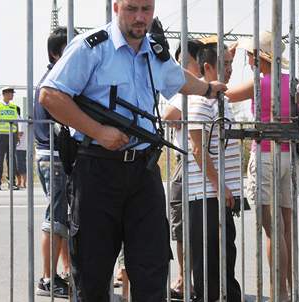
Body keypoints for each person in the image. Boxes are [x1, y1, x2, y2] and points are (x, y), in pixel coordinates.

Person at [38, 0, 227, 300]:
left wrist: (208, 88)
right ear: (116, 7)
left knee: (152, 268)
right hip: (98, 171)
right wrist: (98, 131)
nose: (140, 17)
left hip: (143, 172)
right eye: (132, 9)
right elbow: (50, 95)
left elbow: (177, 80)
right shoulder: (91, 48)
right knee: (93, 273)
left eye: (146, 9)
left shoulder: (154, 51)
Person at [226, 31, 299, 300]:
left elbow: (225, 93)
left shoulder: (258, 84)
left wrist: (228, 58)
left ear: (258, 57)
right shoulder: (292, 82)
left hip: (265, 153)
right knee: (287, 227)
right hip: (288, 155)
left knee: (272, 228)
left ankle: (276, 291)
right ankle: (289, 289)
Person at [185, 42, 241, 302]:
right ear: (207, 67)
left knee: (225, 260)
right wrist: (220, 185)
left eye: (231, 63)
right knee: (208, 267)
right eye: (225, 64)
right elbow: (197, 149)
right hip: (205, 195)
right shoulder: (198, 100)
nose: (230, 70)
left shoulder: (223, 100)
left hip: (219, 194)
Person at [162, 38, 202, 299]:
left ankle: (182, 280)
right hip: (203, 163)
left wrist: (176, 118)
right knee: (201, 225)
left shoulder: (185, 88)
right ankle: (199, 280)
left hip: (186, 162)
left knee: (182, 226)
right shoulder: (210, 90)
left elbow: (167, 116)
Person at [34, 26, 71, 298]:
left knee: (63, 217)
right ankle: (48, 278)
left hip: (53, 155)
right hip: (54, 155)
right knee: (56, 218)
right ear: (55, 53)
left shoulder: (53, 78)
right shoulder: (55, 82)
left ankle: (67, 270)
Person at [0, 87, 19, 191]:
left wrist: (17, 133)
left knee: (11, 159)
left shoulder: (13, 107)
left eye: (12, 93)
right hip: (1, 135)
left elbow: (17, 120)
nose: (12, 95)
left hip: (11, 135)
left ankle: (11, 182)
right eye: (10, 93)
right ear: (4, 94)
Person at [16, 122, 27, 188]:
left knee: (20, 165)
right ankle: (19, 182)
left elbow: (20, 133)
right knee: (18, 166)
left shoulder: (20, 122)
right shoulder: (21, 121)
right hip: (20, 147)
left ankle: (23, 183)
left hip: (20, 147)